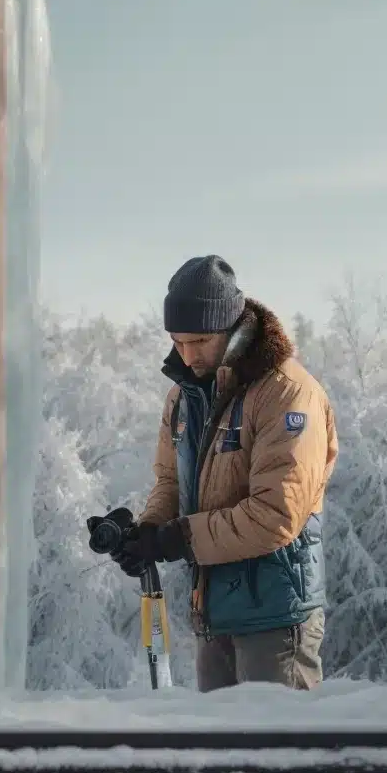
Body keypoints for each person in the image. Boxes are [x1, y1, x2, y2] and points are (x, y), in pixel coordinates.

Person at [92, 255, 339, 692]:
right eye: (177, 342)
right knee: (221, 754)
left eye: (200, 341)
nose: (187, 357)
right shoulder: (185, 397)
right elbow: (171, 483)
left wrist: (180, 538)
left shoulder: (285, 393)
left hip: (276, 618)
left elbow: (276, 514)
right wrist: (146, 533)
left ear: (229, 326)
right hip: (214, 610)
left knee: (276, 756)